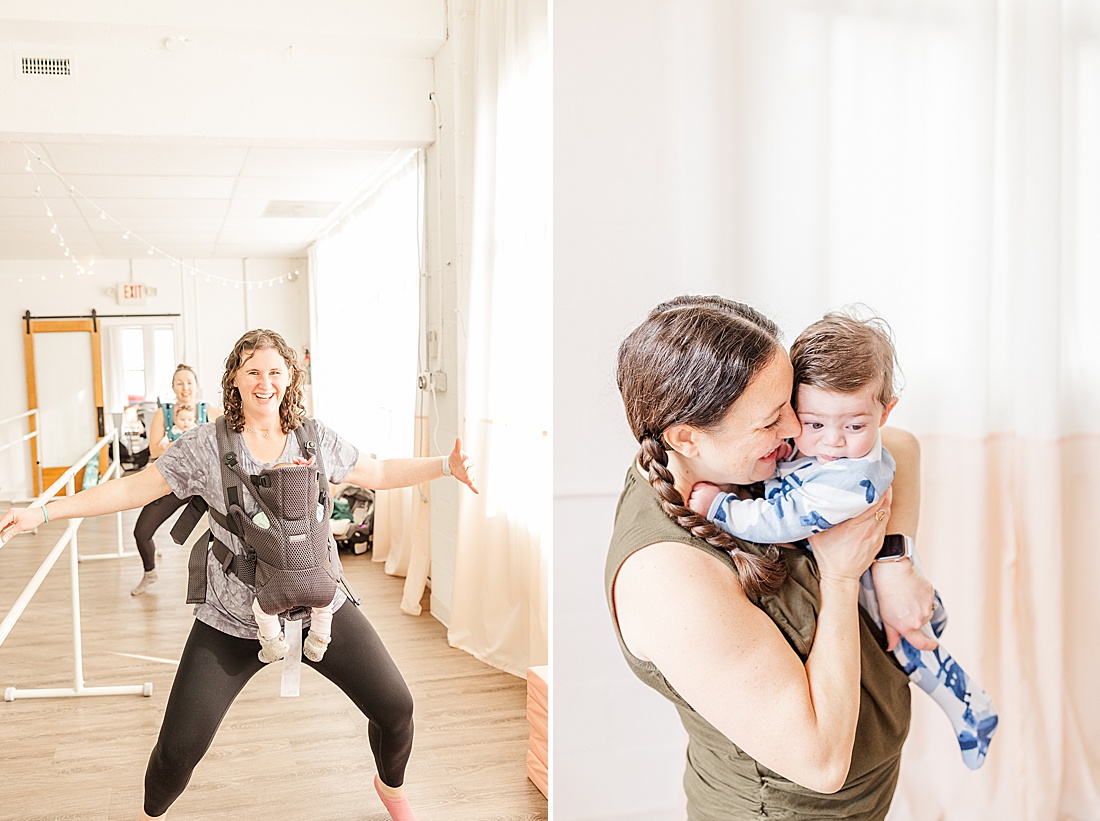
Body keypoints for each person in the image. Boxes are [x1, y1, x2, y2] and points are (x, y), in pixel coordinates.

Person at [0, 328, 478, 821]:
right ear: (234, 378)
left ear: (290, 377)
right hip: (233, 617)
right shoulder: (204, 445)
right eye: (253, 371)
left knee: (397, 710)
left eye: (275, 371)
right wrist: (42, 512)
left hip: (319, 607)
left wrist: (445, 465)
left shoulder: (313, 437)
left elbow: (377, 473)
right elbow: (133, 490)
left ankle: (391, 790)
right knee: (175, 756)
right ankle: (150, 813)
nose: (264, 382)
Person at [608, 295, 937, 820]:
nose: (795, 432)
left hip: (869, 796)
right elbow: (822, 763)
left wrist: (894, 561)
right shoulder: (667, 579)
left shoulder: (738, 460)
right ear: (686, 438)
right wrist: (842, 575)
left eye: (790, 405)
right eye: (770, 421)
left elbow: (900, 445)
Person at [687, 310, 998, 770]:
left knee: (913, 653)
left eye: (854, 427)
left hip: (870, 585)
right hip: (861, 569)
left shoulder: (852, 478)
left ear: (885, 412)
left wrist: (719, 506)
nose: (832, 442)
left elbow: (779, 520)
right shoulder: (814, 442)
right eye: (813, 424)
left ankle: (971, 709)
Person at [130, 365, 213, 597]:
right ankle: (150, 573)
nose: (185, 387)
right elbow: (155, 449)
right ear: (173, 387)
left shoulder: (209, 411)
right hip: (172, 484)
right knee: (141, 532)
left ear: (196, 385)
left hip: (204, 485)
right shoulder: (164, 412)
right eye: (179, 383)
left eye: (189, 382)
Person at [248, 454, 338, 664]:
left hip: (278, 587)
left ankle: (273, 644)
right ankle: (318, 642)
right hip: (319, 583)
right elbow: (324, 498)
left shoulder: (262, 519)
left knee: (262, 610)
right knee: (325, 608)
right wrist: (309, 471)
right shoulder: (318, 512)